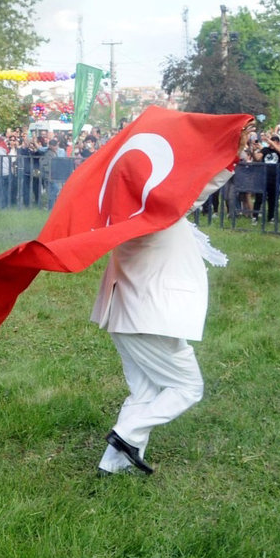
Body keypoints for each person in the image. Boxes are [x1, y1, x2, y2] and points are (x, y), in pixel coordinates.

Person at [92, 134, 244, 477]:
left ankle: (111, 468)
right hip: (149, 317)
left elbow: (193, 193)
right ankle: (125, 436)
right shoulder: (156, 213)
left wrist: (230, 153)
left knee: (143, 392)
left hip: (125, 315)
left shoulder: (121, 211)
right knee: (188, 388)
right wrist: (229, 152)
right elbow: (196, 192)